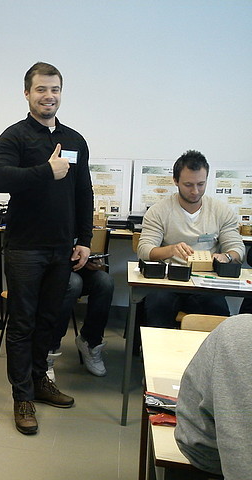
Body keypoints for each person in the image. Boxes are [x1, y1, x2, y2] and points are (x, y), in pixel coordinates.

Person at [0, 61, 94, 435]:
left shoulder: (75, 140)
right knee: (23, 324)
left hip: (61, 248)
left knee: (49, 321)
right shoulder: (14, 137)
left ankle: (38, 381)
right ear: (27, 93)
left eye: (55, 89)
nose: (49, 96)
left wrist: (84, 240)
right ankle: (22, 397)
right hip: (25, 248)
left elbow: (84, 192)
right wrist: (46, 171)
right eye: (41, 89)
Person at [137, 150, 245, 328]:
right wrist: (171, 250)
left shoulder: (221, 211)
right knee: (157, 306)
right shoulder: (159, 211)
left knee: (217, 311)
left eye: (201, 184)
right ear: (175, 181)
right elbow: (144, 250)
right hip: (169, 282)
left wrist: (226, 256)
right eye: (188, 185)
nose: (195, 191)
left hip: (205, 283)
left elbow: (237, 249)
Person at [175, 313, 252, 479]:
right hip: (212, 458)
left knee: (216, 305)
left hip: (211, 452)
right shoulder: (240, 335)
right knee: (159, 305)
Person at [48, 260, 114, 379]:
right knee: (74, 284)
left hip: (74, 268)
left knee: (104, 282)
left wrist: (89, 260)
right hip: (47, 269)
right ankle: (47, 350)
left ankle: (89, 342)